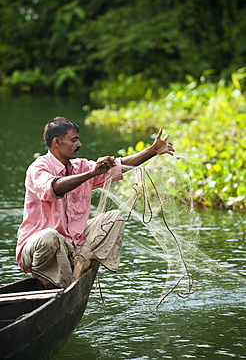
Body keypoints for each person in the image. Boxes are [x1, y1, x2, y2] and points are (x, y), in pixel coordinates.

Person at [16, 117, 175, 289]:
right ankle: (54, 280)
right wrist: (90, 174)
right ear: (57, 142)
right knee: (50, 236)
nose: (79, 144)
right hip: (38, 250)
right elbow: (54, 188)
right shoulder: (38, 168)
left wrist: (152, 150)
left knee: (114, 218)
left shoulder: (81, 166)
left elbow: (120, 165)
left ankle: (80, 263)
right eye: (74, 139)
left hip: (71, 246)